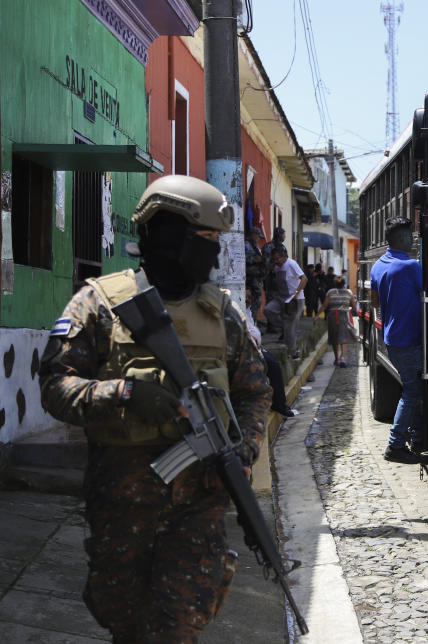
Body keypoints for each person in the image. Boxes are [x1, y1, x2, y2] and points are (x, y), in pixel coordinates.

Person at [38, 175, 272, 643]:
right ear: (171, 237)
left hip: (199, 502)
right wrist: (122, 394)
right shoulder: (100, 304)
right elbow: (54, 386)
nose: (213, 254)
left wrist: (240, 450)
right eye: (206, 241)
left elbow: (255, 392)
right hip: (122, 502)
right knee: (124, 621)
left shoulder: (220, 312)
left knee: (178, 624)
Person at [370, 217, 424, 464]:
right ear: (402, 238)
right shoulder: (411, 266)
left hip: (391, 336)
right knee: (412, 392)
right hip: (409, 338)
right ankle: (395, 445)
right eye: (411, 236)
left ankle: (415, 435)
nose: (413, 240)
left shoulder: (378, 265)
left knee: (409, 388)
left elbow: (375, 302)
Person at [245, 288, 295, 417]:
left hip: (257, 348)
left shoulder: (248, 312)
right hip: (247, 349)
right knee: (272, 365)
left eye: (250, 297)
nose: (248, 300)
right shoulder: (237, 311)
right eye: (246, 297)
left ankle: (278, 402)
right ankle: (279, 404)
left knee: (274, 363)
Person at [263, 247, 306, 359]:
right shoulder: (277, 267)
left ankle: (293, 353)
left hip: (295, 299)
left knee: (290, 326)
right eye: (274, 259)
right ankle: (284, 328)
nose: (276, 262)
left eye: (278, 259)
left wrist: (296, 293)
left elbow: (304, 279)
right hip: (281, 297)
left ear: (284, 256)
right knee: (268, 310)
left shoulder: (291, 264)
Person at [321, 276, 357, 368]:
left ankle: (336, 358)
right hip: (344, 316)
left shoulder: (330, 292)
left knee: (334, 338)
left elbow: (325, 305)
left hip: (332, 317)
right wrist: (349, 309)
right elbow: (353, 306)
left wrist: (317, 315)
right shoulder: (349, 292)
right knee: (343, 337)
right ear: (344, 284)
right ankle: (343, 358)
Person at [261, 227, 287, 331]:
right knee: (271, 301)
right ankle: (271, 326)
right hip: (271, 278)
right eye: (283, 234)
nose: (284, 236)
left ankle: (279, 325)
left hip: (281, 278)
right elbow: (265, 262)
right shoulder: (269, 246)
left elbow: (286, 261)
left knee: (282, 301)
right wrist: (275, 266)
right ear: (279, 234)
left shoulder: (282, 247)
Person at [244, 226, 266, 316]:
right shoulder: (246, 244)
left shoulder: (254, 245)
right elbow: (241, 258)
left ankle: (253, 322)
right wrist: (254, 259)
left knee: (256, 302)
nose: (258, 239)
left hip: (255, 279)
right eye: (258, 236)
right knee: (252, 302)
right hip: (249, 279)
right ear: (253, 235)